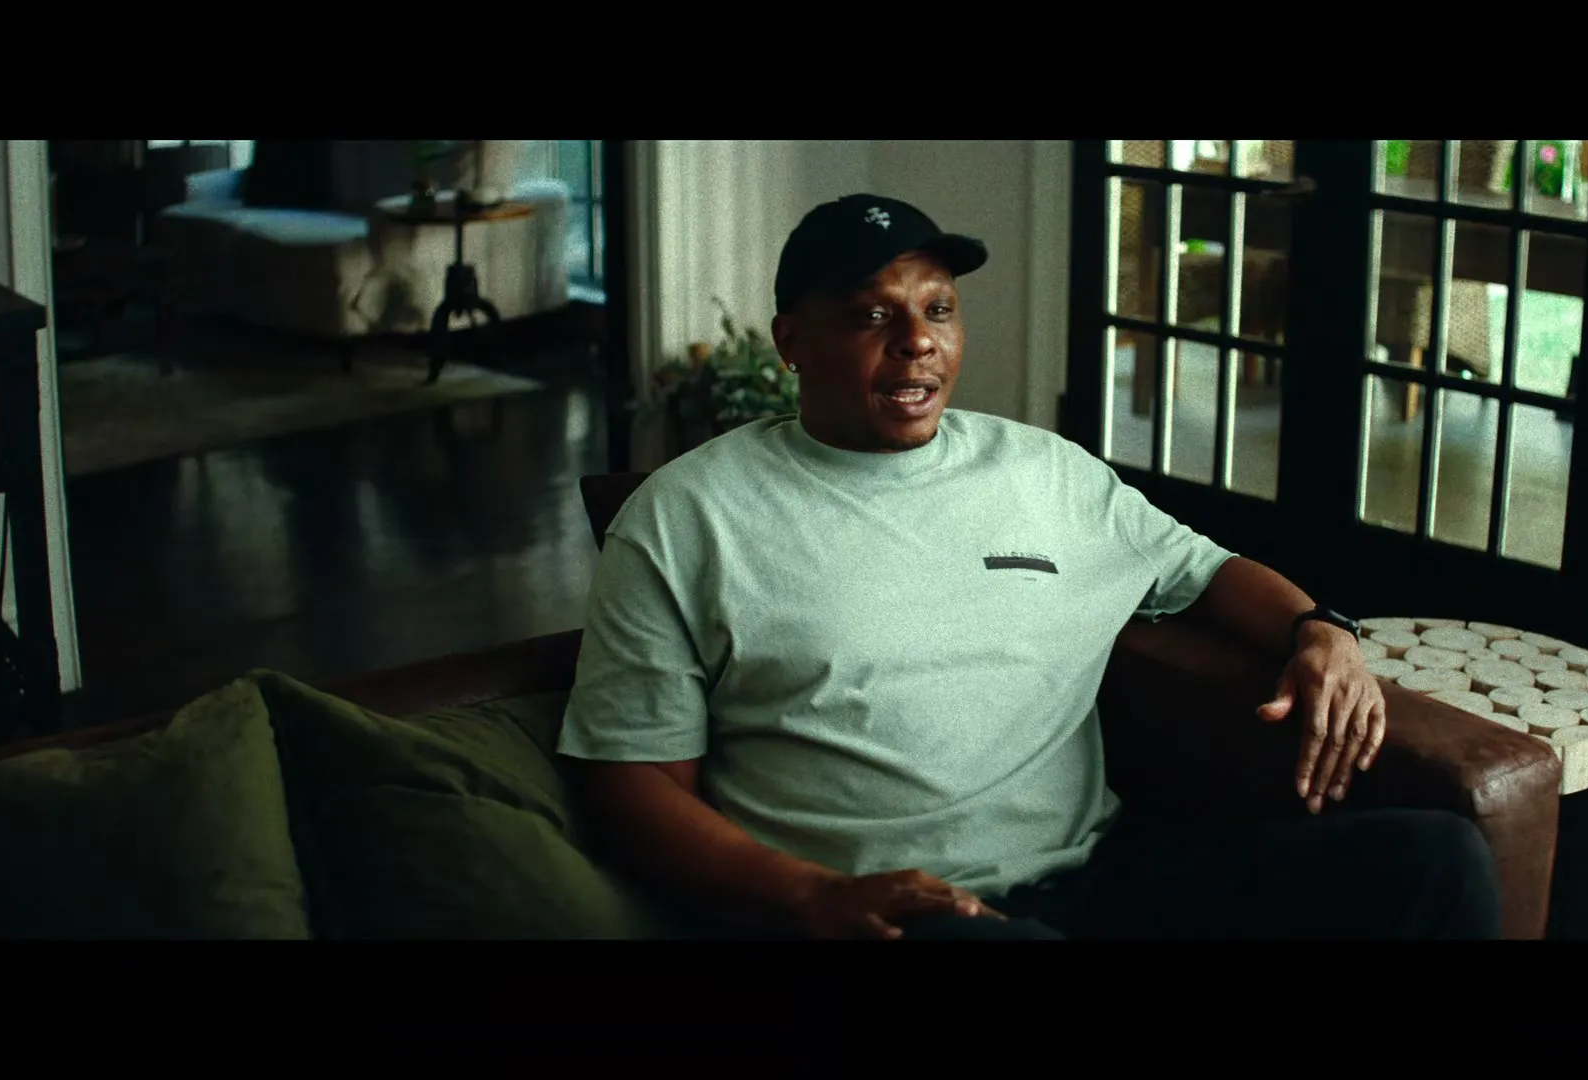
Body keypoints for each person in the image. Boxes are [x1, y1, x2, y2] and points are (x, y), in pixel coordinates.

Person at [556, 193, 1502, 940]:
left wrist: (1319, 632)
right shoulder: (686, 517)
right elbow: (632, 787)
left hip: (1107, 873)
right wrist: (811, 896)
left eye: (938, 310)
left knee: (1438, 863)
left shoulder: (1043, 472)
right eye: (871, 315)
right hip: (898, 913)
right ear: (792, 342)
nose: (917, 341)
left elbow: (1209, 571)